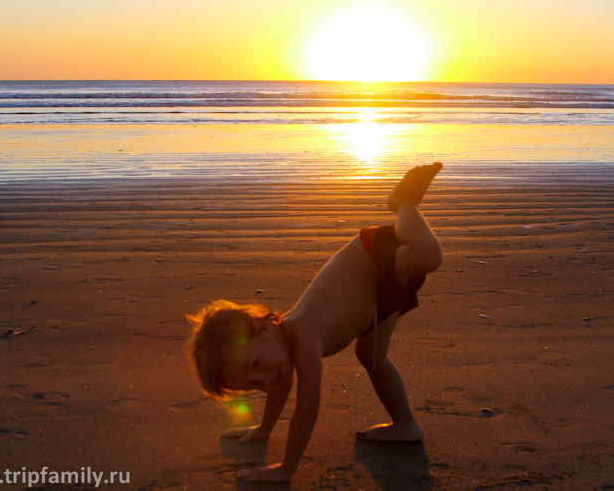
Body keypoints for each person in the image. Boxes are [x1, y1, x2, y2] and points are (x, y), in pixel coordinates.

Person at [187, 163, 443, 482]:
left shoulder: (304, 334)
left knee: (428, 255)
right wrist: (264, 428)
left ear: (264, 327)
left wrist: (286, 469)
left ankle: (403, 203)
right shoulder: (281, 350)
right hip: (377, 299)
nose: (267, 379)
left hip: (374, 256)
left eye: (256, 365)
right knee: (371, 356)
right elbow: (280, 389)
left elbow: (306, 409)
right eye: (255, 384)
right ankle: (406, 426)